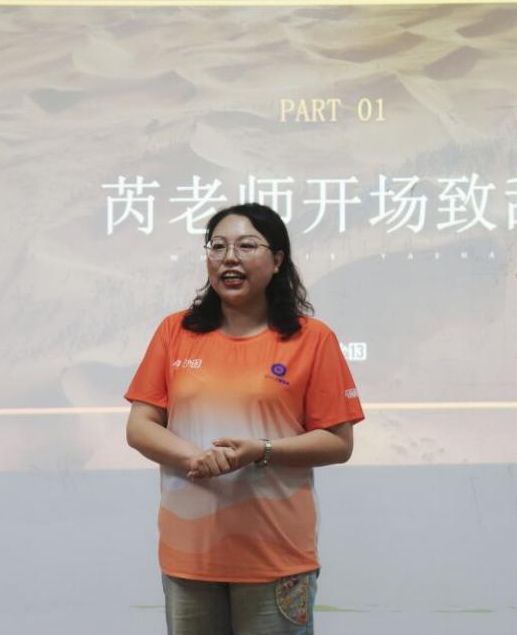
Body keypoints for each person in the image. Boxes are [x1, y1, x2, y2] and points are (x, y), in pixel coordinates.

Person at [125, 202, 364, 635]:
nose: (229, 258)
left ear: (277, 260)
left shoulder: (312, 339)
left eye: (246, 246)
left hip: (276, 556)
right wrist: (195, 457)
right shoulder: (175, 332)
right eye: (217, 247)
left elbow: (338, 442)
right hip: (189, 554)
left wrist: (261, 451)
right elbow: (140, 426)